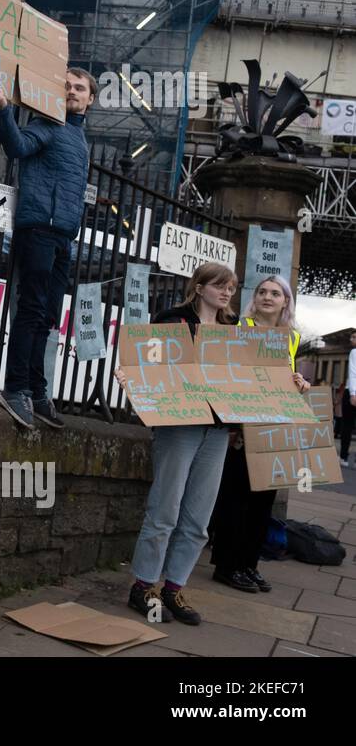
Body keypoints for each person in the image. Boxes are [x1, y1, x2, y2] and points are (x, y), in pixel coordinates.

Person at [118, 262, 239, 626]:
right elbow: (150, 364)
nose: (227, 292)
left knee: (198, 518)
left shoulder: (234, 332)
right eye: (220, 285)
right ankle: (143, 586)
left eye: (231, 287)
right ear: (199, 287)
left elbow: (248, 377)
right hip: (180, 426)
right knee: (165, 511)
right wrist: (133, 376)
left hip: (217, 431)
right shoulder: (171, 320)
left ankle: (174, 587)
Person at [0, 69, 95, 429]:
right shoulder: (47, 124)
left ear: (90, 99)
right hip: (39, 229)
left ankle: (36, 390)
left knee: (47, 317)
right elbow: (16, 147)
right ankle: (15, 388)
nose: (72, 91)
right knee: (31, 310)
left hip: (63, 235)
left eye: (79, 88)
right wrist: (3, 108)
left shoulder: (79, 138)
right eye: (66, 85)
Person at [209, 276, 308, 593]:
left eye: (275, 293)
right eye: (262, 292)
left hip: (275, 425)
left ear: (285, 301)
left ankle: (248, 565)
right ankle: (226, 566)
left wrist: (299, 383)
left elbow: (287, 378)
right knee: (236, 498)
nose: (267, 297)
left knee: (263, 501)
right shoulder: (240, 326)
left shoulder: (291, 337)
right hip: (243, 425)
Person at [343, 331, 356, 468]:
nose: (351, 339)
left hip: (352, 391)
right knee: (347, 426)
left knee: (347, 426)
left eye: (354, 337)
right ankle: (345, 457)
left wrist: (353, 393)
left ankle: (344, 457)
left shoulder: (354, 352)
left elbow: (353, 373)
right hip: (352, 391)